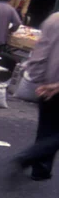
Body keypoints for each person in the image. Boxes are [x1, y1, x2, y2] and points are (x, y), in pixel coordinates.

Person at [12, 12, 59, 181]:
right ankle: (31, 155)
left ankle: (40, 170)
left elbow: (40, 53)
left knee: (47, 127)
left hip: (48, 84)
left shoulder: (54, 19)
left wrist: (38, 80)